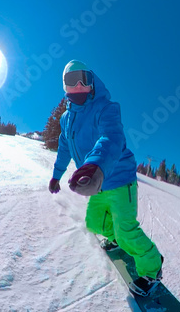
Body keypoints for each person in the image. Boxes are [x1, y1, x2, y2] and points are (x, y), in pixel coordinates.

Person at [48, 60, 163, 296]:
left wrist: (95, 165)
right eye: (72, 81)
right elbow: (64, 148)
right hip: (98, 185)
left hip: (118, 178)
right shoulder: (66, 120)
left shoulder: (105, 108)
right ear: (65, 87)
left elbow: (111, 137)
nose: (79, 85)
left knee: (126, 229)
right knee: (94, 222)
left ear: (92, 82)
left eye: (83, 79)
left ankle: (152, 268)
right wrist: (56, 175)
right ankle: (118, 241)